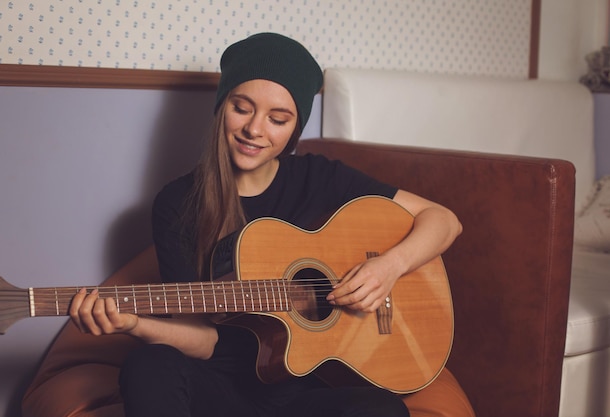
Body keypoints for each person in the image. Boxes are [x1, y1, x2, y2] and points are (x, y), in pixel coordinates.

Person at [70, 32, 464, 417]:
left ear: (295, 129)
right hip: (220, 389)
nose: (255, 130)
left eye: (278, 118)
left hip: (307, 391)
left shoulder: (319, 178)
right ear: (221, 106)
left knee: (382, 410)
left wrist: (388, 267)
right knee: (148, 364)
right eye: (242, 108)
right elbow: (202, 338)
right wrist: (134, 324)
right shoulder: (178, 204)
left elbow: (444, 221)